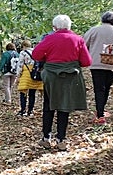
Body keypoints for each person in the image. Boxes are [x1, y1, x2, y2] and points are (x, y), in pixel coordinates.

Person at [32, 15, 92, 151]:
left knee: (48, 105)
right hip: (70, 78)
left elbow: (36, 55)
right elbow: (87, 61)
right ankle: (61, 139)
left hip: (51, 78)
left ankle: (46, 138)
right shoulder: (78, 39)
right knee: (64, 106)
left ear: (54, 27)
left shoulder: (49, 39)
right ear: (70, 26)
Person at [83, 10, 113, 125]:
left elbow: (84, 44)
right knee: (107, 87)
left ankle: (100, 114)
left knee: (99, 88)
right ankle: (101, 111)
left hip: (96, 63)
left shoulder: (94, 30)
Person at [14, 40, 43, 117]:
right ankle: (30, 111)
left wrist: (18, 76)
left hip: (26, 74)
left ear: (23, 46)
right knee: (32, 93)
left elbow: (20, 65)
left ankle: (23, 111)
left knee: (23, 93)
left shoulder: (23, 53)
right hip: (35, 74)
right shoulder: (36, 51)